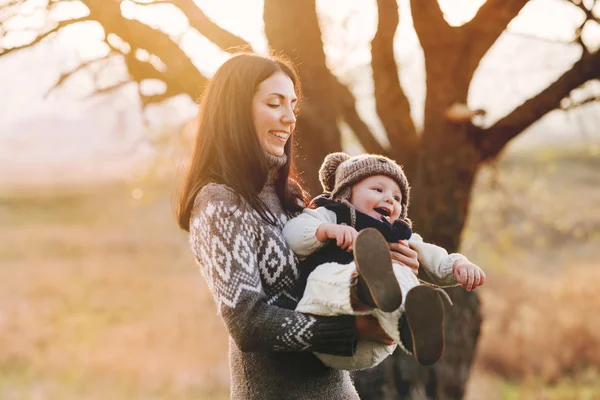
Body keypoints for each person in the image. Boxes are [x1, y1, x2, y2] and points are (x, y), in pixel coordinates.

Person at [176, 53, 420, 399]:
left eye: (292, 104)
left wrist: (393, 263)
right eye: (275, 103)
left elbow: (320, 275)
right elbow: (248, 322)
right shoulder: (220, 202)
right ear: (235, 110)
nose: (290, 118)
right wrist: (349, 329)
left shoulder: (287, 194)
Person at [282, 152, 487, 370]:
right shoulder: (331, 215)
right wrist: (324, 231)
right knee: (321, 276)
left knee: (401, 276)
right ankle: (362, 288)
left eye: (397, 198)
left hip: (376, 341)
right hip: (327, 326)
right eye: (378, 190)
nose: (389, 199)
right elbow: (291, 234)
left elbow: (435, 257)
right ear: (346, 192)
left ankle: (413, 324)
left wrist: (458, 265)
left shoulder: (399, 235)